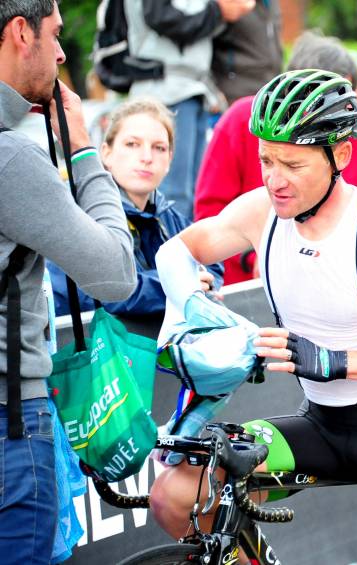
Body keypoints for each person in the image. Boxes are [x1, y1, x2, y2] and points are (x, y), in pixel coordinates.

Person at [148, 70, 357, 565]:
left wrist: (337, 361)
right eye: (265, 160)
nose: (274, 179)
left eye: (293, 164)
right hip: (322, 426)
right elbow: (177, 250)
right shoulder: (262, 212)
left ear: (339, 156)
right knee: (176, 495)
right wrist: (189, 302)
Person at [0, 2, 136, 561]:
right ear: (19, 31)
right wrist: (81, 147)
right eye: (55, 36)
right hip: (10, 423)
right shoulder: (11, 159)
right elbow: (116, 274)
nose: (61, 54)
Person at [193, 32, 357, 285]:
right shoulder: (242, 119)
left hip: (335, 280)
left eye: (340, 98)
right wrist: (256, 256)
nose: (330, 113)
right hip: (248, 287)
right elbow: (210, 210)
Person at [47, 99, 224, 316]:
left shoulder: (167, 216)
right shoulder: (78, 212)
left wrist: (194, 282)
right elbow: (100, 292)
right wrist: (175, 284)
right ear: (106, 153)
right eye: (132, 144)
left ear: (169, 160)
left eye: (159, 148)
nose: (147, 158)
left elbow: (212, 263)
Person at [124, 0, 255, 219]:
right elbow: (163, 17)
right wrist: (218, 10)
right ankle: (165, 251)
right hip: (165, 90)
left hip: (194, 89)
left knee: (193, 192)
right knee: (172, 193)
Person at [211, 0, 283, 105]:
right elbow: (205, 43)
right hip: (235, 95)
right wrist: (212, 91)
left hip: (269, 92)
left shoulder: (271, 3)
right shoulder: (232, 3)